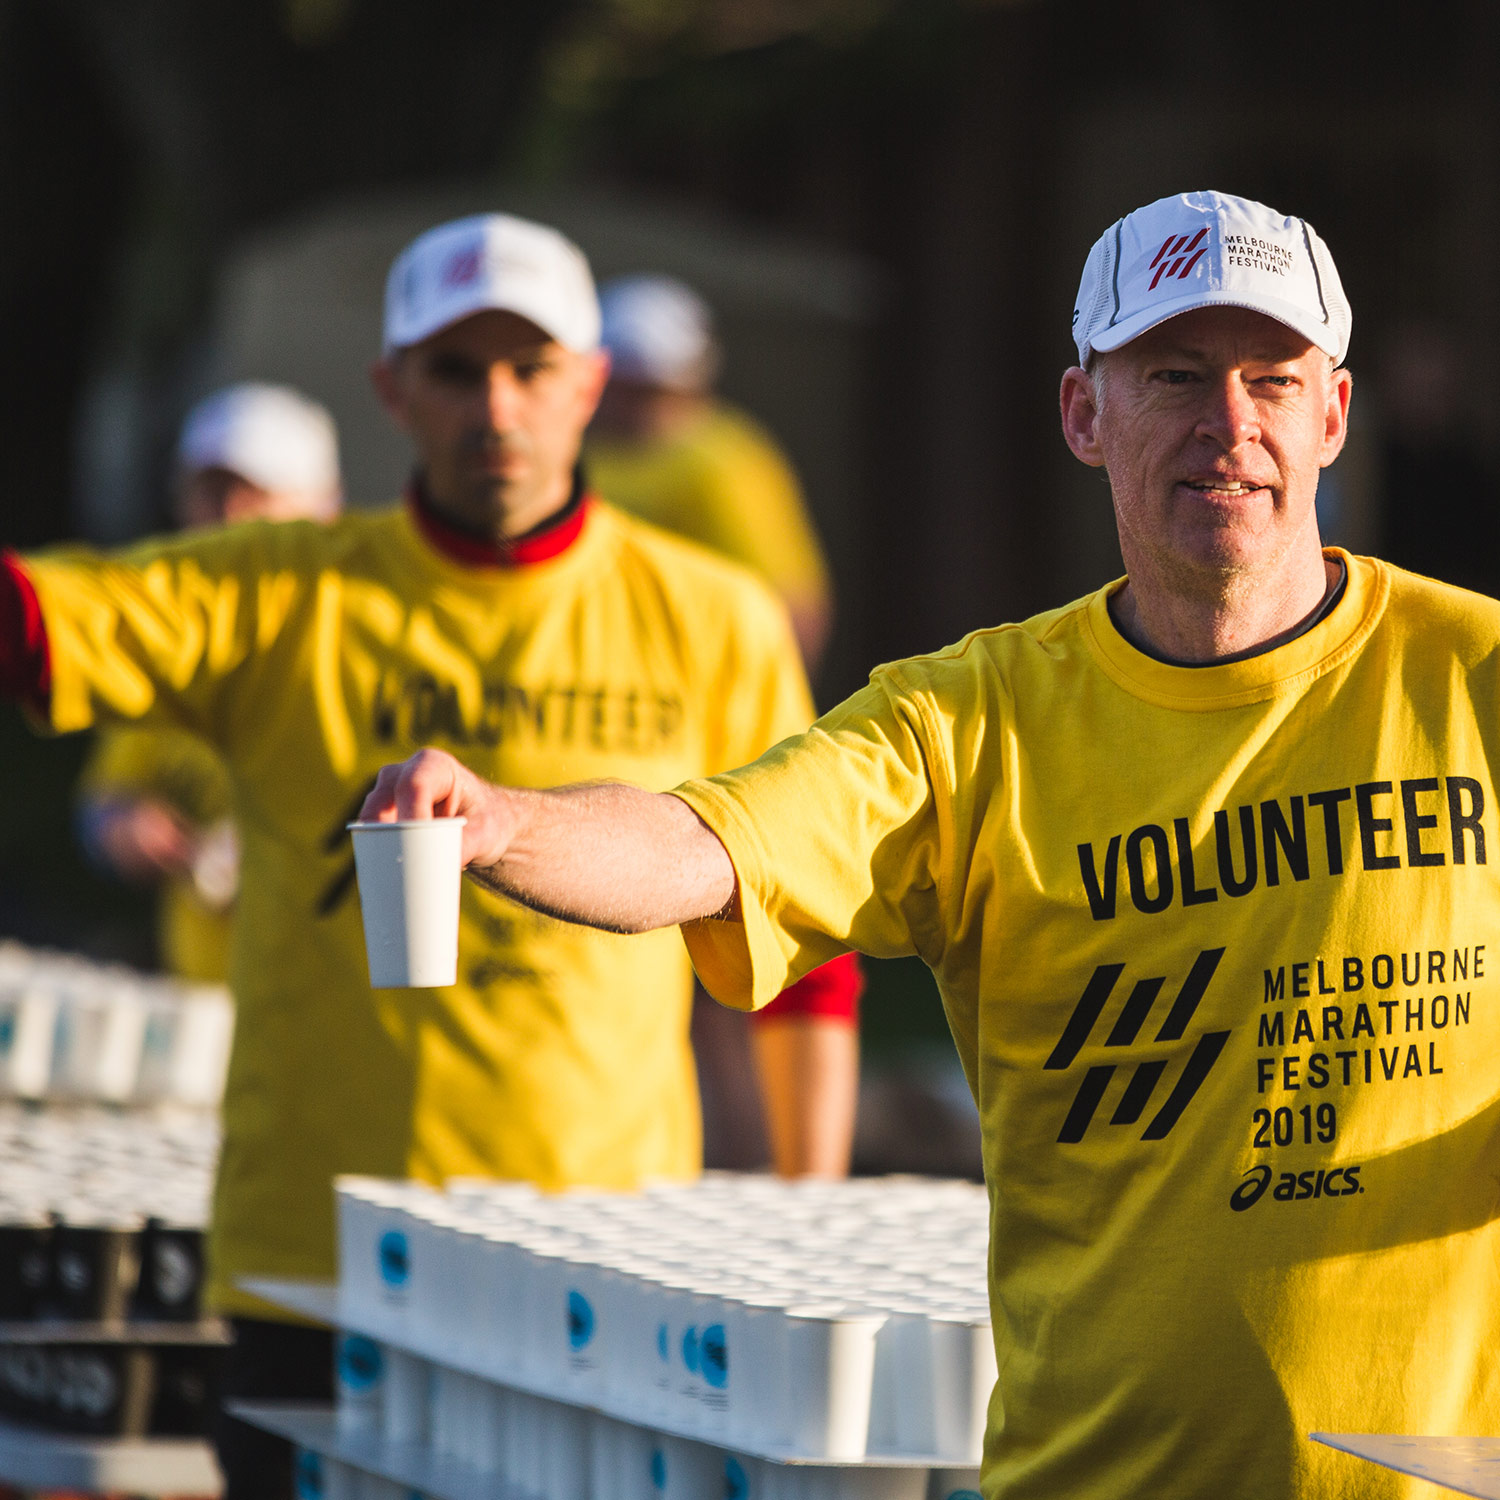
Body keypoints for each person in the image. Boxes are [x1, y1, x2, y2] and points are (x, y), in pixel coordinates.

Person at [363, 190, 1500, 1499]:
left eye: (1272, 378)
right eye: (1176, 374)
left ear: (1334, 414)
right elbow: (709, 842)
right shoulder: (972, 721)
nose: (1228, 424)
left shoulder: (1472, 677)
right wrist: (505, 821)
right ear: (1086, 413)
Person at [0, 212, 856, 1498]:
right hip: (313, 1258)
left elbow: (804, 942)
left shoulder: (713, 616)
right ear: (391, 389)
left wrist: (808, 1232)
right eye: (455, 370)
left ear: (592, 381)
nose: (496, 407)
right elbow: (39, 624)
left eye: (529, 367)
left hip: (599, 1275)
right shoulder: (277, 589)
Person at [587, 274, 857, 1172]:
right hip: (621, 741)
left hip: (706, 753)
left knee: (732, 985)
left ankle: (750, 1175)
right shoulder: (601, 462)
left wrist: (756, 747)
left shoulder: (722, 460)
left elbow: (791, 606)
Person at [76, 383, 343, 982]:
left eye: (256, 495)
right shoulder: (171, 648)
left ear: (325, 508)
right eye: (213, 492)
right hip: (198, 1001)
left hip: (327, 1012)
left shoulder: (359, 644)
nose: (228, 516)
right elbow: (104, 804)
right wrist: (130, 828)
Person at [586, 274, 834, 670]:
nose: (633, 408)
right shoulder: (566, 448)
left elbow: (794, 607)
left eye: (653, 391)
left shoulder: (726, 463)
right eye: (622, 388)